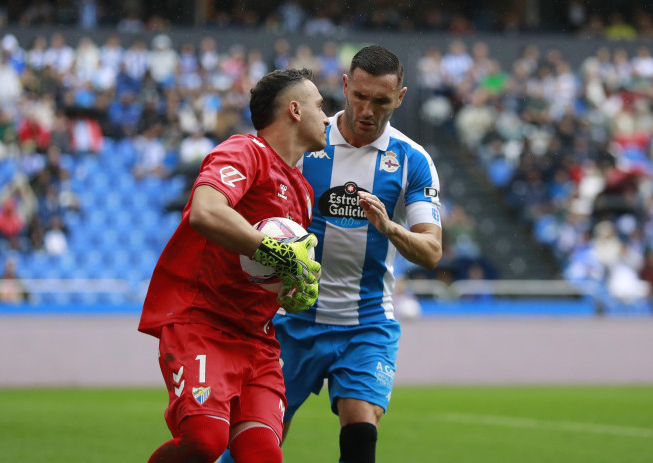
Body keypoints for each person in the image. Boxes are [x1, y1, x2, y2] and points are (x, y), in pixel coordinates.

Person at [221, 45, 443, 463]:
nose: (367, 110)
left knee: (361, 431)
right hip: (292, 318)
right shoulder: (306, 143)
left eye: (381, 101)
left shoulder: (413, 161)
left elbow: (432, 252)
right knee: (253, 446)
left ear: (400, 98)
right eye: (359, 96)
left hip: (367, 321)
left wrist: (390, 227)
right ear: (345, 86)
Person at [138, 68, 329, 463]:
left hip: (256, 339)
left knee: (263, 454)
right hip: (203, 322)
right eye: (320, 106)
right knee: (205, 441)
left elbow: (269, 273)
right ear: (294, 110)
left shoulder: (304, 193)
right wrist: (274, 253)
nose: (328, 118)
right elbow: (206, 213)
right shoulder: (244, 151)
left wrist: (291, 289)